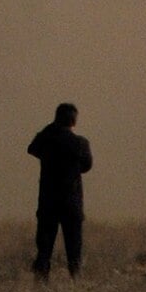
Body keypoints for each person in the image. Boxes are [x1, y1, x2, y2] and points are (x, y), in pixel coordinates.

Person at [28, 102, 92, 279]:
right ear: (74, 121)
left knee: (45, 247)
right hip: (72, 203)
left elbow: (32, 148)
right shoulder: (80, 143)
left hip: (48, 202)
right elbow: (87, 165)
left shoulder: (47, 141)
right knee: (74, 247)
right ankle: (75, 280)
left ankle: (41, 281)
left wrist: (50, 128)